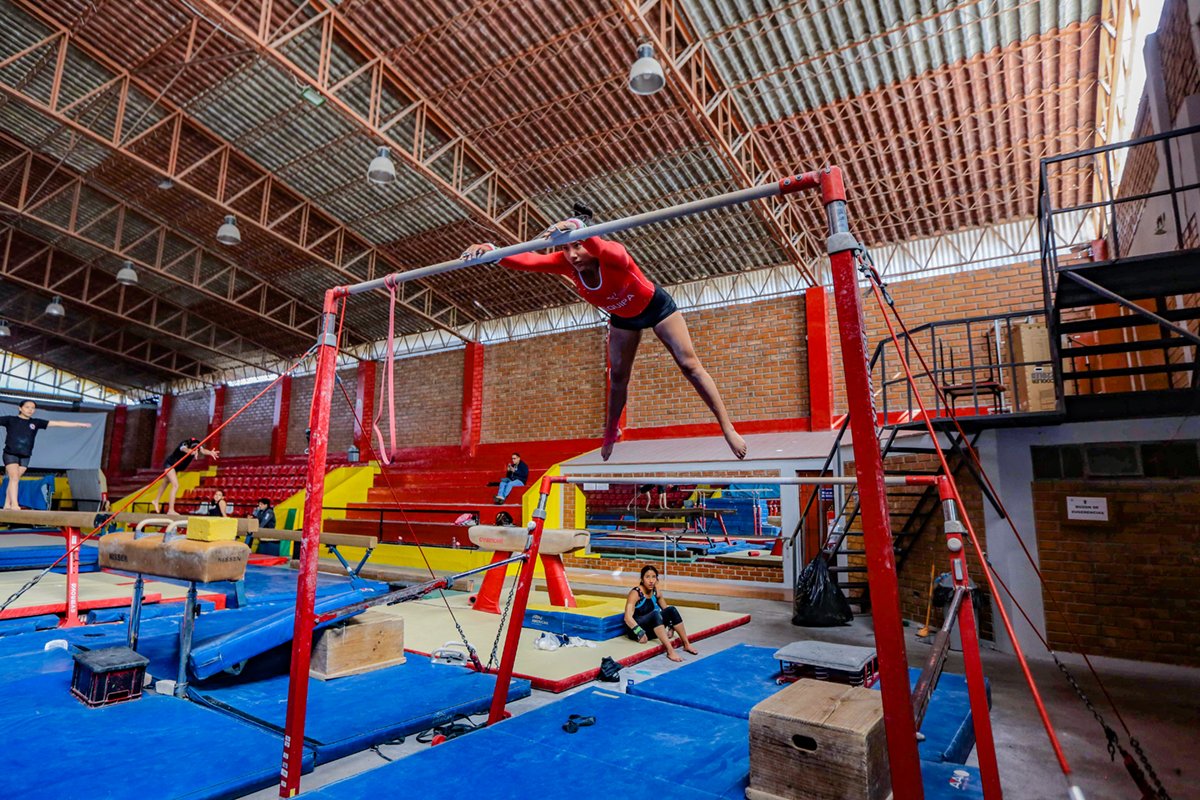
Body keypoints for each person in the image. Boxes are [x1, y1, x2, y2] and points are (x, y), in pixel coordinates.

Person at [463, 214, 746, 462]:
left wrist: (578, 228)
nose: (572, 255)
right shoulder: (566, 264)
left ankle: (727, 427)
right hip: (623, 318)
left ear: (590, 241)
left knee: (689, 365)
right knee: (618, 378)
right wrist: (490, 251)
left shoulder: (611, 256)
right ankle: (611, 431)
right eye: (565, 248)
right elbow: (529, 260)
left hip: (657, 308)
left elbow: (609, 250)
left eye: (577, 246)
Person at [2, 399, 92, 510]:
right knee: (14, 478)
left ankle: (7, 504)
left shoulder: (35, 422)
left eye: (32, 408)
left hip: (25, 455)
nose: (30, 410)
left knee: (14, 480)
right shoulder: (10, 420)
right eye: (27, 407)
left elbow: (57, 423)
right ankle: (15, 504)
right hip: (10, 453)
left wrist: (78, 424)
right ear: (20, 408)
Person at [623, 565, 697, 662]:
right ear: (642, 579)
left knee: (672, 609)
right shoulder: (636, 593)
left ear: (657, 579)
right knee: (655, 614)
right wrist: (639, 632)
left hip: (652, 629)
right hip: (637, 632)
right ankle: (670, 651)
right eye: (647, 577)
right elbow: (627, 618)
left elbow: (667, 612)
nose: (651, 581)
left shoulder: (656, 592)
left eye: (653, 577)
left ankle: (686, 644)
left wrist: (671, 627)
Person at [151, 436, 219, 515]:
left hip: (176, 467)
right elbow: (184, 449)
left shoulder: (198, 444)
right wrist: (190, 451)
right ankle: (170, 510)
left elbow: (203, 451)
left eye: (197, 448)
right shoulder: (184, 444)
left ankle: (156, 500)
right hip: (170, 464)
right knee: (175, 486)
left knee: (165, 482)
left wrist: (210, 452)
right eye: (194, 448)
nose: (196, 449)